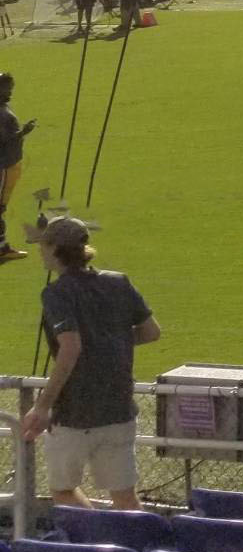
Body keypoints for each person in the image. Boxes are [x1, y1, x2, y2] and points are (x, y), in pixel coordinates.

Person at [22, 215, 158, 509]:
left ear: (55, 249)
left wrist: (43, 405)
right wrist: (109, 340)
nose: (39, 251)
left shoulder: (56, 293)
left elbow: (70, 349)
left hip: (74, 412)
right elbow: (151, 332)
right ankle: (131, 549)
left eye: (43, 245)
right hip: (118, 408)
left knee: (63, 490)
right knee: (124, 496)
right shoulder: (119, 282)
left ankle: (94, 542)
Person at [0, 73, 32, 264]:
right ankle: (3, 249)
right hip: (4, 165)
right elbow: (4, 141)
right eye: (6, 88)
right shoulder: (2, 114)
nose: (10, 92)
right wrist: (23, 132)